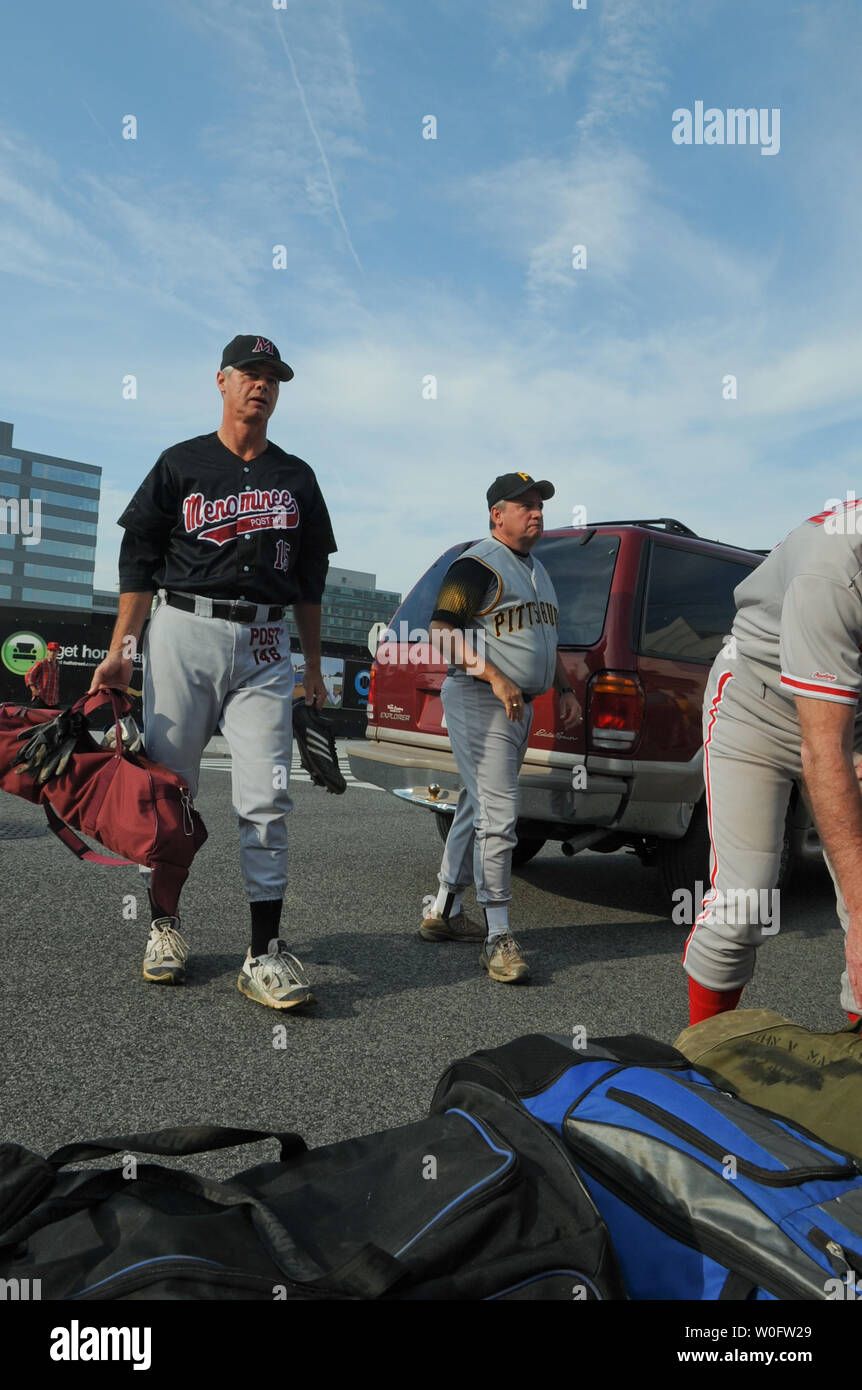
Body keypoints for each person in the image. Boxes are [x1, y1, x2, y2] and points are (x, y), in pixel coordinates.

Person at [88, 335, 337, 1011]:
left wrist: (313, 666)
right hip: (183, 629)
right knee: (169, 793)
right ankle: (165, 927)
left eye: (272, 376)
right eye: (250, 373)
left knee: (266, 799)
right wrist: (121, 650)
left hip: (264, 639)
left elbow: (310, 582)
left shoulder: (297, 477)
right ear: (222, 381)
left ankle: (263, 953)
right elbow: (138, 559)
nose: (262, 384)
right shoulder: (181, 463)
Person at [683, 498, 862, 1026]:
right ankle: (700, 1062)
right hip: (756, 708)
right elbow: (822, 749)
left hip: (851, 719)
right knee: (745, 900)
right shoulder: (836, 568)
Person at [419, 473, 581, 983]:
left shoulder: (539, 573)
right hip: (478, 697)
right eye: (525, 505)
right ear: (497, 514)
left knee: (476, 802)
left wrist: (566, 687)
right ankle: (498, 936)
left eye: (540, 506)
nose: (536, 513)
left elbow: (544, 638)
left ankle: (443, 911)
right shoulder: (477, 563)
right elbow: (440, 632)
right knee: (500, 813)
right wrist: (492, 674)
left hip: (515, 704)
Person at [25, 641, 61, 708]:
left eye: (55, 651)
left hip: (54, 700)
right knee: (36, 718)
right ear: (47, 651)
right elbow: (29, 675)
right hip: (41, 698)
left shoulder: (57, 665)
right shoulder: (42, 663)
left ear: (58, 652)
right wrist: (33, 689)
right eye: (50, 650)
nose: (52, 653)